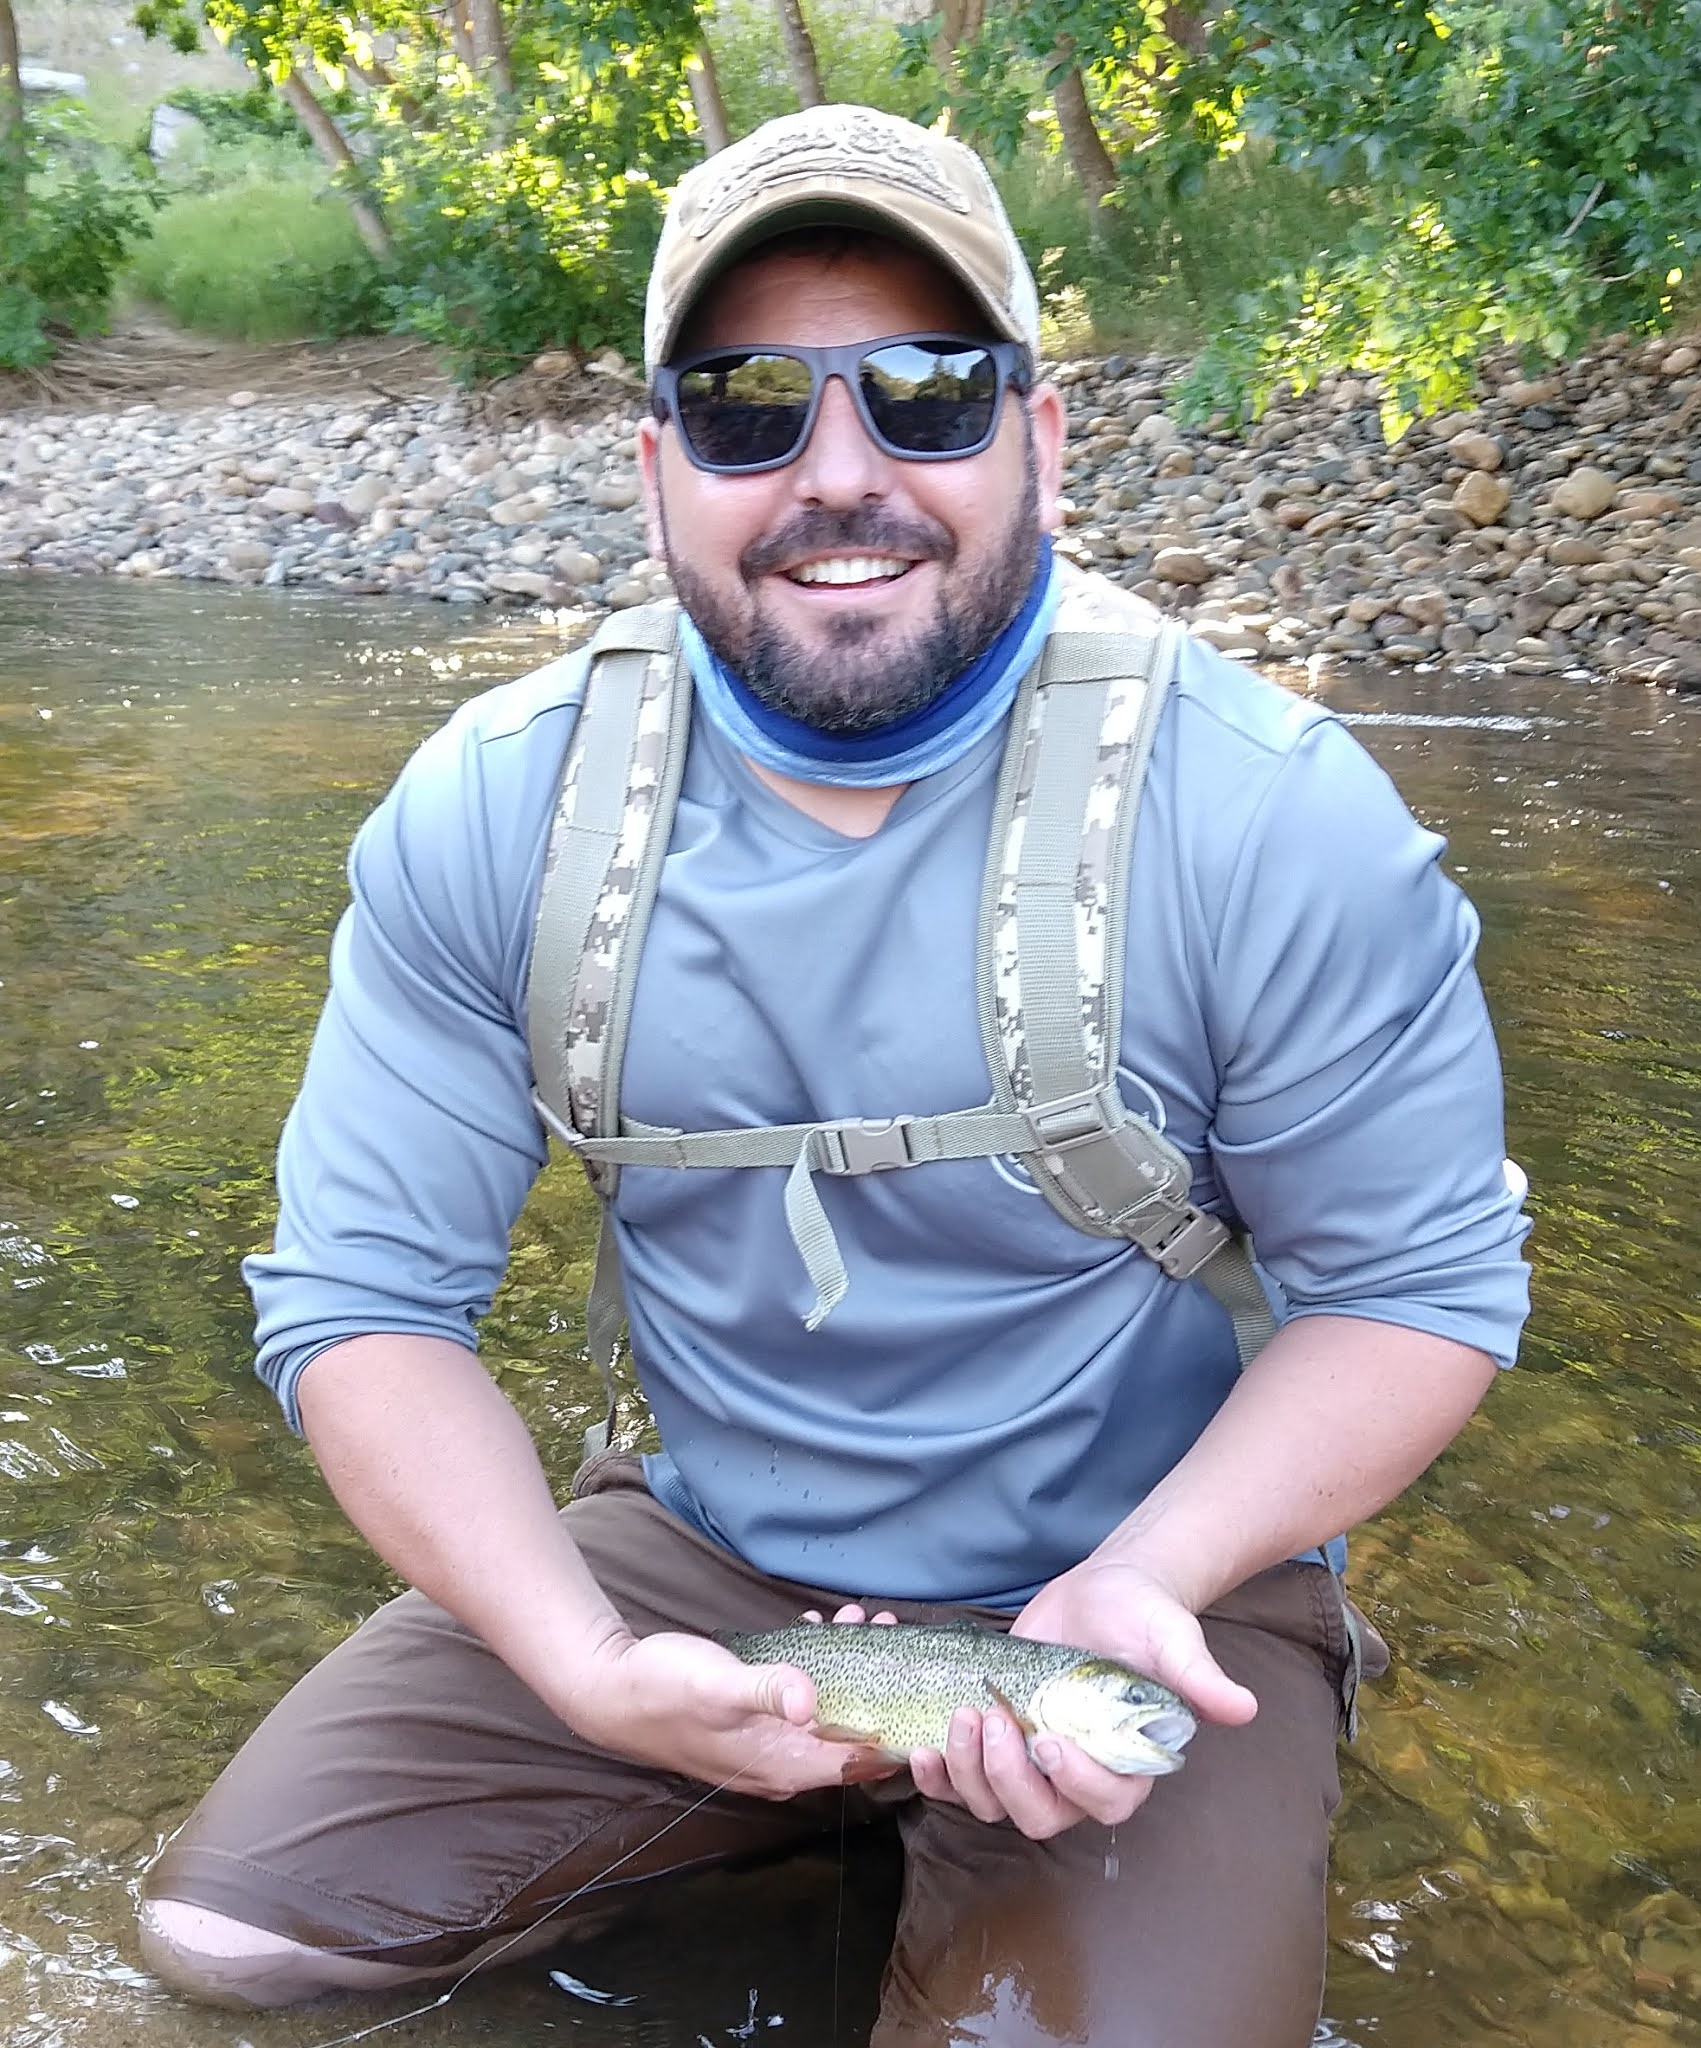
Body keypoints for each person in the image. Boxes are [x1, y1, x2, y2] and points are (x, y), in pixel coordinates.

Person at [137, 103, 1530, 2047]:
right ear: (653, 474)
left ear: (1043, 438)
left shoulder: (1271, 817)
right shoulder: (495, 809)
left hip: (1137, 1588)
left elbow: (1410, 1293)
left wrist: (1151, 1576)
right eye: (747, 406)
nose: (841, 471)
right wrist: (586, 1658)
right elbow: (365, 1311)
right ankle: (780, 1839)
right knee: (238, 1951)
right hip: (705, 1562)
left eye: (927, 392)